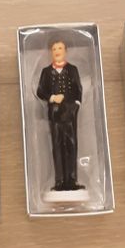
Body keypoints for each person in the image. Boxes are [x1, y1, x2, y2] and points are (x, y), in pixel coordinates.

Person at [36, 40, 85, 191]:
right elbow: (40, 91)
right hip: (55, 113)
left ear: (65, 51)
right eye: (54, 49)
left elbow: (78, 89)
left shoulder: (72, 69)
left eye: (60, 48)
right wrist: (52, 97)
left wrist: (76, 105)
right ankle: (59, 181)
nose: (57, 51)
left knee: (71, 144)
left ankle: (72, 180)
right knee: (57, 145)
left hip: (70, 113)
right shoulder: (46, 71)